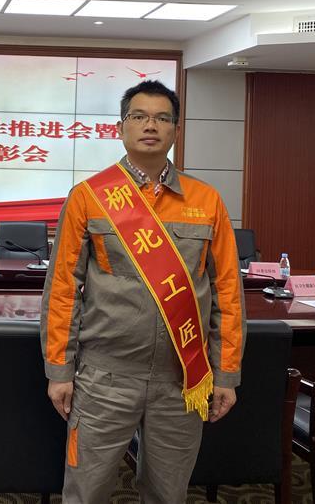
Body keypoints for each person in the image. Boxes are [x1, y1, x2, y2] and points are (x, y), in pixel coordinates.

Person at [41, 80, 245, 503]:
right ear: (121, 127)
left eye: (162, 118)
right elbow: (63, 289)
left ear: (175, 130)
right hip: (104, 378)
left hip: (182, 379)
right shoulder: (88, 197)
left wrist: (226, 374)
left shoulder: (207, 201)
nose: (150, 126)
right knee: (86, 491)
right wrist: (59, 370)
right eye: (139, 116)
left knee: (168, 494)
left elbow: (227, 291)